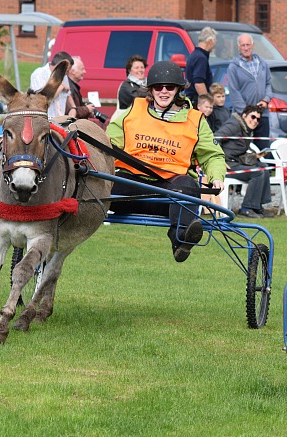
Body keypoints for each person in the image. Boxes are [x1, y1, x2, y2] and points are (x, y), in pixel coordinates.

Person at [106, 61, 226, 262]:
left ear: (178, 90)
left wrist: (216, 177)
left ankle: (180, 239)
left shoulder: (195, 119)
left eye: (169, 87)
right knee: (99, 183)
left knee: (188, 186)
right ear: (150, 90)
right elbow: (108, 143)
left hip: (170, 193)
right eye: (157, 87)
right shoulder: (133, 110)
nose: (163, 91)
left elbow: (213, 155)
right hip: (130, 187)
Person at [215, 105, 273, 218]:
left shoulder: (247, 129)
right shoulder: (234, 125)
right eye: (253, 117)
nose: (255, 121)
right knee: (258, 172)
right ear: (244, 115)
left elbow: (237, 150)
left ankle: (258, 207)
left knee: (264, 167)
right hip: (227, 165)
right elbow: (215, 138)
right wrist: (219, 159)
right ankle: (246, 208)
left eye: (258, 119)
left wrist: (256, 156)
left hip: (236, 162)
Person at [227, 34, 273, 142]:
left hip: (262, 114)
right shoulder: (234, 67)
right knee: (244, 150)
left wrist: (266, 99)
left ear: (253, 45)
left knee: (263, 150)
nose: (246, 48)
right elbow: (234, 91)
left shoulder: (263, 64)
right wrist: (246, 112)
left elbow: (269, 83)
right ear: (239, 47)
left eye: (248, 45)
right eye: (243, 45)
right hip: (243, 117)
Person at [30, 51, 75, 119]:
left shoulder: (63, 76)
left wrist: (73, 108)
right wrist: (60, 86)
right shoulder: (39, 74)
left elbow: (68, 94)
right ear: (59, 66)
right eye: (67, 71)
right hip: (44, 120)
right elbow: (44, 99)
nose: (67, 74)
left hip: (60, 121)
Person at [184, 27, 217, 100]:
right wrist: (207, 102)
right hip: (196, 102)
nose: (215, 44)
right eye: (215, 40)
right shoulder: (201, 58)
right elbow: (199, 83)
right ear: (210, 41)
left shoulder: (195, 55)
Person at [65, 56, 95, 120]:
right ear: (73, 71)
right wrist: (86, 109)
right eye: (82, 69)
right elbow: (68, 111)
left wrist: (87, 112)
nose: (84, 72)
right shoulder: (66, 87)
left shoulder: (72, 86)